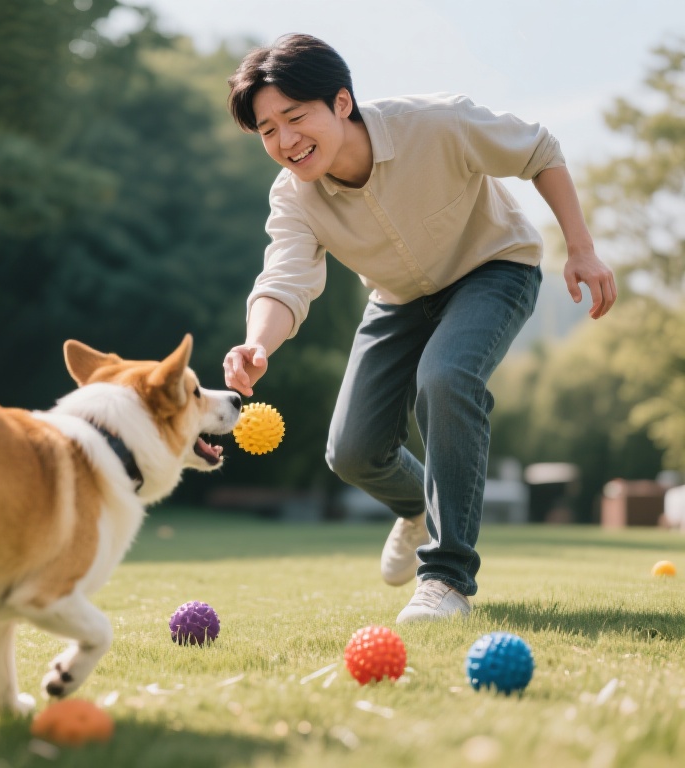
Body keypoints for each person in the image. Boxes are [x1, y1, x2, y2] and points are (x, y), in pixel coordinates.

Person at [222, 34, 617, 623]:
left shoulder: (434, 123)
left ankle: (446, 578)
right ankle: (416, 506)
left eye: (295, 117)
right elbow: (284, 279)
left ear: (341, 103)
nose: (285, 141)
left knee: (447, 376)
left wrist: (581, 249)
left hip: (494, 269)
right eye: (268, 130)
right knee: (352, 452)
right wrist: (258, 343)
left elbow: (540, 150)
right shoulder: (295, 197)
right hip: (400, 298)